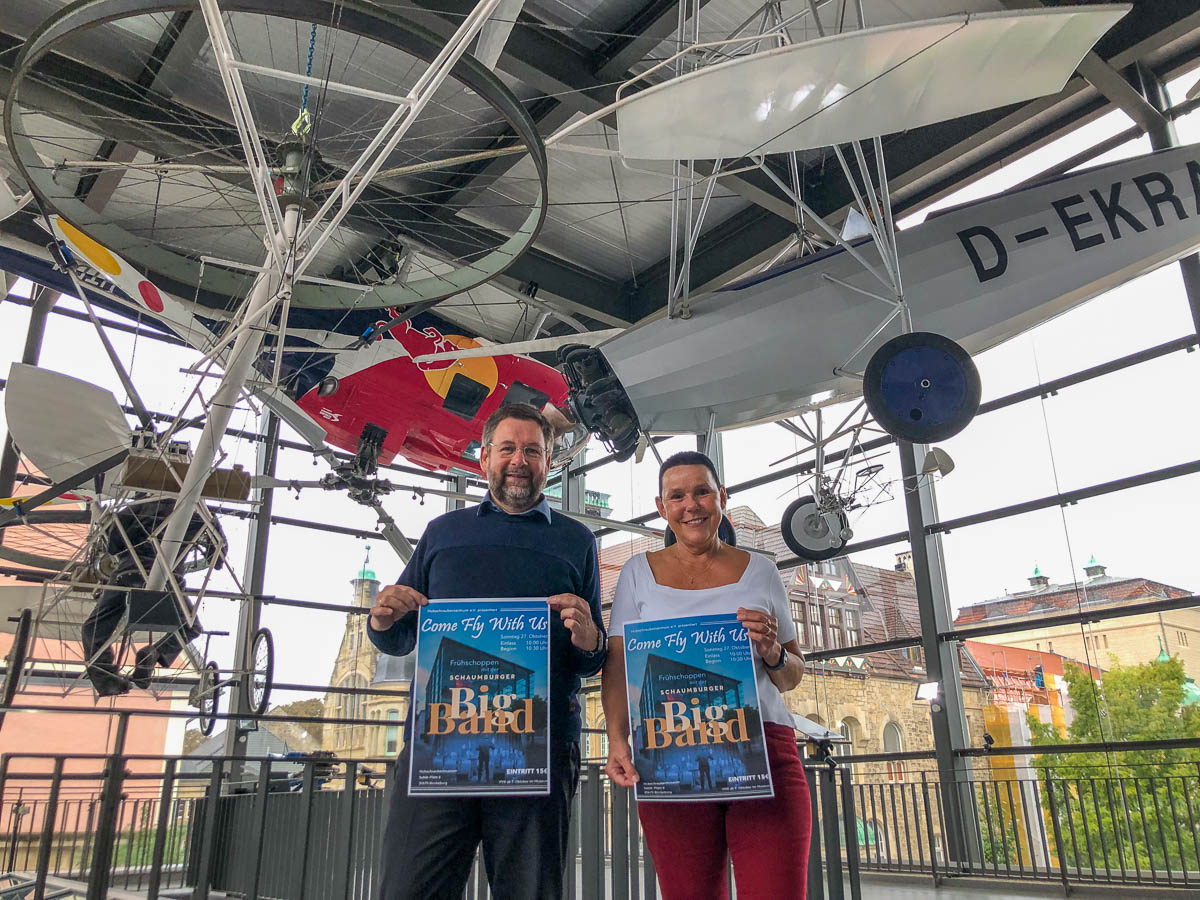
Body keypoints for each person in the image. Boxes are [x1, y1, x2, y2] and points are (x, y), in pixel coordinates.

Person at [368, 403, 606, 900]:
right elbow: (403, 632)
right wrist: (382, 619)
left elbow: (590, 656)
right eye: (508, 449)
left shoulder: (577, 541)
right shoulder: (442, 533)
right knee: (410, 888)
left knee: (529, 891)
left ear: (549, 462)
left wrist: (590, 640)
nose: (519, 460)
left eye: (533, 451)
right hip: (438, 743)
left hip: (537, 751)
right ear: (483, 458)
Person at [601, 450, 812, 900]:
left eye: (702, 492)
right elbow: (617, 667)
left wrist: (772, 651)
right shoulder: (637, 574)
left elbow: (792, 676)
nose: (690, 505)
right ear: (661, 507)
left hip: (764, 749)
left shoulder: (761, 571)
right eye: (676, 496)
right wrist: (617, 740)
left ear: (722, 497)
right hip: (670, 751)